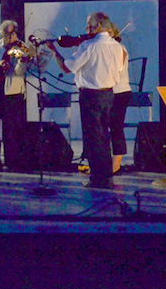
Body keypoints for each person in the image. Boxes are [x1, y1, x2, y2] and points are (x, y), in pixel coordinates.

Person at [48, 12, 125, 189]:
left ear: (97, 26)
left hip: (91, 95)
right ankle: (106, 176)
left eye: (88, 24)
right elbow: (119, 68)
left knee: (93, 138)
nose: (85, 29)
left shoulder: (89, 46)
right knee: (104, 135)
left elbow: (68, 68)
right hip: (109, 95)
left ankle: (98, 179)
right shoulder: (116, 46)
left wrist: (55, 52)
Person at [0, 20, 29, 171]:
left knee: (11, 129)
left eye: (13, 33)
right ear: (2, 34)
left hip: (13, 91)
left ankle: (12, 161)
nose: (10, 37)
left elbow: (19, 72)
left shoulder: (21, 47)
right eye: (7, 34)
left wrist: (21, 61)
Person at [108, 23, 132, 173]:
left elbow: (117, 69)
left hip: (120, 92)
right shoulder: (107, 48)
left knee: (116, 127)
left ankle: (116, 164)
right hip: (108, 92)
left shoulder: (119, 48)